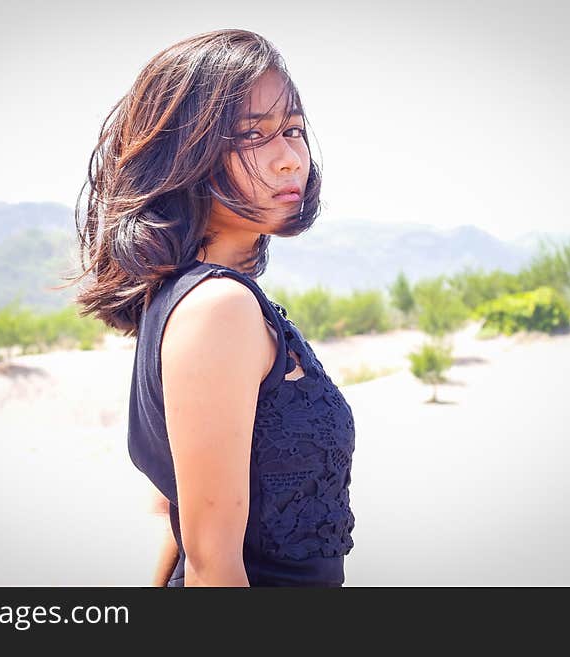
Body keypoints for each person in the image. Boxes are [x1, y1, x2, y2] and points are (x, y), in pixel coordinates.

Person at [70, 29, 355, 586]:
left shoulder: (197, 297)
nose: (289, 159)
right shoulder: (217, 307)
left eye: (293, 131)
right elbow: (210, 563)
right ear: (186, 155)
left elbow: (181, 531)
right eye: (254, 136)